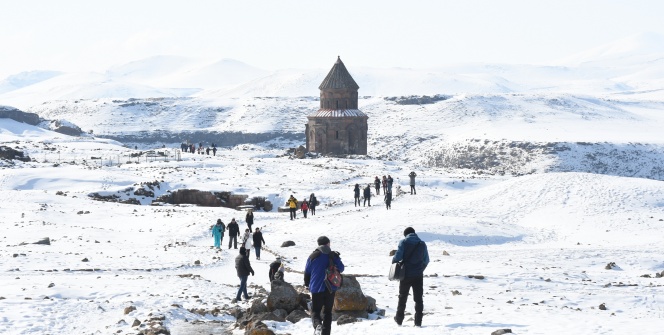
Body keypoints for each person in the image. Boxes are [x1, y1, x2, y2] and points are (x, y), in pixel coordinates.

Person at [304, 236, 344, 335]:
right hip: (331, 287)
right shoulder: (333, 255)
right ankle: (325, 333)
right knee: (327, 313)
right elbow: (342, 268)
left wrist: (307, 284)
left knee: (315, 311)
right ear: (328, 243)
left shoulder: (313, 256)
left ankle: (317, 326)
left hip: (316, 288)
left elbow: (307, 272)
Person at [392, 227, 429, 327]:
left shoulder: (403, 242)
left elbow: (398, 257)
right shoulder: (422, 244)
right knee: (418, 299)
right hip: (418, 275)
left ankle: (399, 320)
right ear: (414, 233)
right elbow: (426, 260)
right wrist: (420, 270)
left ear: (406, 234)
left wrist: (394, 261)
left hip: (406, 275)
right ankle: (418, 322)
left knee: (402, 297)